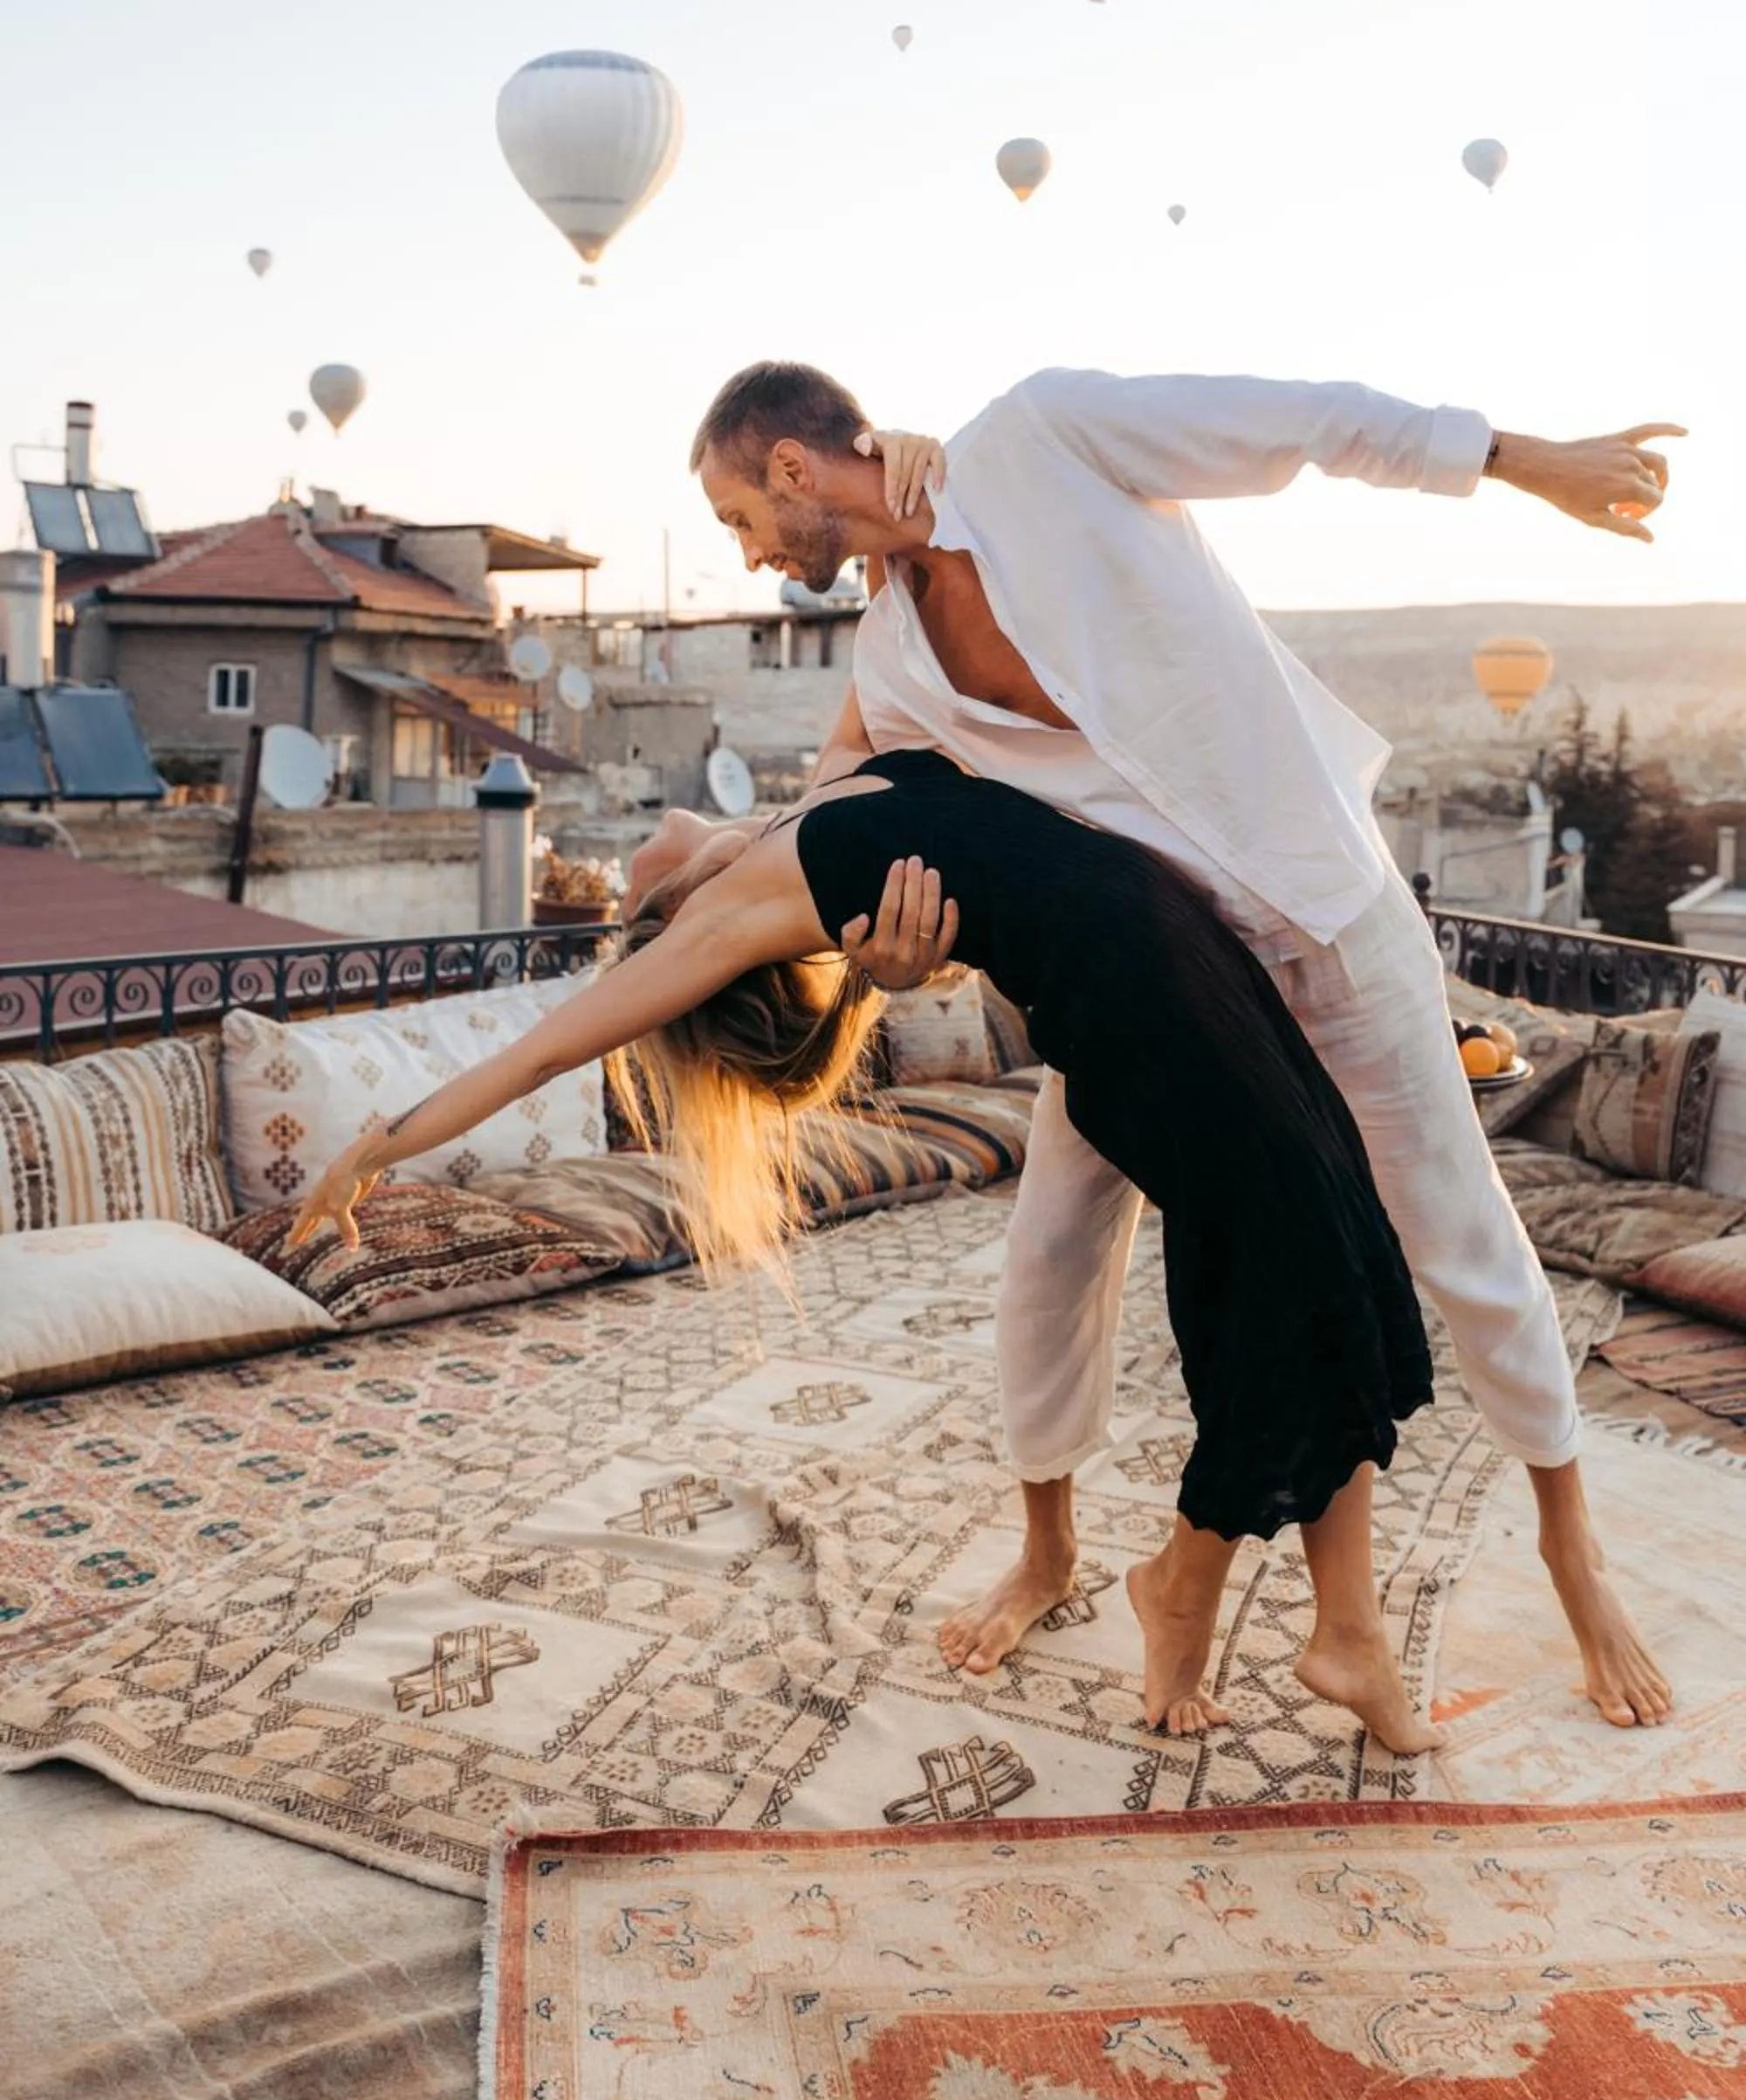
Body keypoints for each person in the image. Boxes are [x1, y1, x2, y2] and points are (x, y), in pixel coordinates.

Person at [685, 356, 1683, 1732]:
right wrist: (867, 945)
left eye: (740, 516)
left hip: (1331, 910)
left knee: (1460, 1234)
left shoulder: (1039, 437)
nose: (743, 552)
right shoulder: (889, 664)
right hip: (1164, 978)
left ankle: (1574, 1559)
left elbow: (1304, 420)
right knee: (1051, 1248)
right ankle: (1051, 1552)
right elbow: (827, 822)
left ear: (792, 468)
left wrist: (1523, 457)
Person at [295, 748, 1446, 1750]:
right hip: (1134, 998)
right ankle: (1200, 1595)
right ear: (670, 919)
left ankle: (1340, 1629)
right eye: (630, 917)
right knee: (1286, 1276)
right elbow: (541, 1054)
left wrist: (918, 964)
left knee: (1331, 1233)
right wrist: (374, 1152)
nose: (622, 871)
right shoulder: (725, 911)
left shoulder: (815, 806)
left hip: (1177, 947)